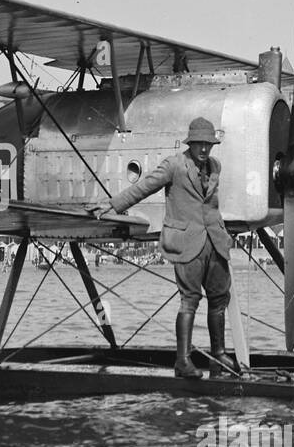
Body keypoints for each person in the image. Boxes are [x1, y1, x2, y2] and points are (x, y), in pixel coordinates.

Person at [93, 117, 236, 378]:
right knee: (190, 300)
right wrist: (114, 204)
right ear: (190, 143)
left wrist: (223, 238)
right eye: (199, 144)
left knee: (219, 298)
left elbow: (210, 207)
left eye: (208, 144)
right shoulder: (174, 165)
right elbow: (145, 186)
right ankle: (183, 362)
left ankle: (219, 357)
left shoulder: (216, 166)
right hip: (186, 243)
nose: (204, 149)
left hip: (214, 242)